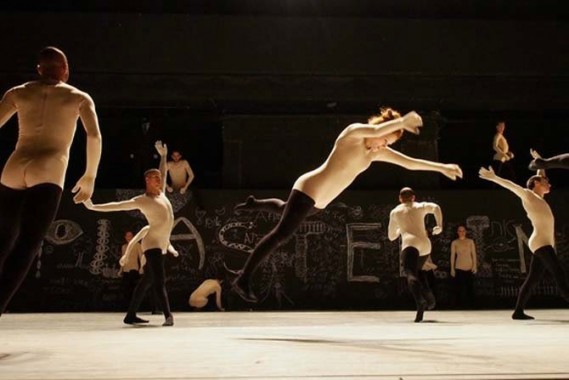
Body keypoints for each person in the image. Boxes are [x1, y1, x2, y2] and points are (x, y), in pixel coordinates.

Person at [232, 108, 462, 302]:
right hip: (308, 188)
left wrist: (442, 167)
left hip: (320, 200)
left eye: (387, 143)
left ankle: (256, 203)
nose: (383, 145)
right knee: (281, 234)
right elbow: (374, 131)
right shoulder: (353, 133)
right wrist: (402, 121)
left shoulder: (372, 153)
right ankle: (243, 278)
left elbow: (408, 163)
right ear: (382, 129)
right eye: (385, 140)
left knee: (285, 210)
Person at [0, 47, 102, 315]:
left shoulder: (18, 92)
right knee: (28, 243)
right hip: (48, 167)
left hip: (14, 165)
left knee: (2, 239)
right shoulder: (78, 97)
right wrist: (90, 175)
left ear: (39, 69)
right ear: (65, 70)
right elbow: (93, 136)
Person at [84, 141, 174, 326]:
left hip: (161, 245)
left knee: (146, 281)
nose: (158, 180)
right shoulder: (142, 200)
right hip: (152, 245)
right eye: (153, 179)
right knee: (159, 279)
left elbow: (163, 172)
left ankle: (130, 315)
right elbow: (118, 206)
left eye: (157, 178)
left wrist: (164, 157)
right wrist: (93, 207)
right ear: (148, 181)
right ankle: (168, 315)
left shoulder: (162, 194)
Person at [479, 165, 569, 320]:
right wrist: (494, 178)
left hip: (543, 242)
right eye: (545, 182)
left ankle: (518, 311)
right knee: (559, 273)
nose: (549, 184)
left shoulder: (539, 198)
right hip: (541, 242)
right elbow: (512, 186)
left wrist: (540, 164)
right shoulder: (528, 195)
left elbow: (540, 175)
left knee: (532, 279)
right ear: (536, 184)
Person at [388, 187, 442, 322]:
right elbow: (435, 207)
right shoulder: (420, 206)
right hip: (426, 244)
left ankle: (420, 301)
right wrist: (439, 225)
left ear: (400, 199)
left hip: (410, 243)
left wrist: (400, 229)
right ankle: (428, 295)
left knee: (410, 273)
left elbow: (391, 236)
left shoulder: (395, 212)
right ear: (413, 197)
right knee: (418, 270)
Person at [450, 225, 477, 308]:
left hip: (469, 266)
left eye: (463, 231)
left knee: (470, 287)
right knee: (459, 288)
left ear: (465, 232)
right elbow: (452, 256)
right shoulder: (455, 242)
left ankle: (471, 305)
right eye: (460, 231)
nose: (462, 232)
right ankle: (458, 305)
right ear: (457, 232)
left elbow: (474, 254)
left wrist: (475, 265)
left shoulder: (470, 241)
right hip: (459, 267)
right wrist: (452, 268)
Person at [119, 231, 144, 307]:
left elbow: (141, 257)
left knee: (133, 288)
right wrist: (121, 270)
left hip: (134, 269)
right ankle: (126, 305)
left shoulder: (137, 245)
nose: (129, 238)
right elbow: (123, 259)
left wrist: (141, 268)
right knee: (126, 289)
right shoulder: (124, 247)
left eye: (130, 236)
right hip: (126, 270)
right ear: (125, 237)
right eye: (127, 236)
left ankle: (134, 306)